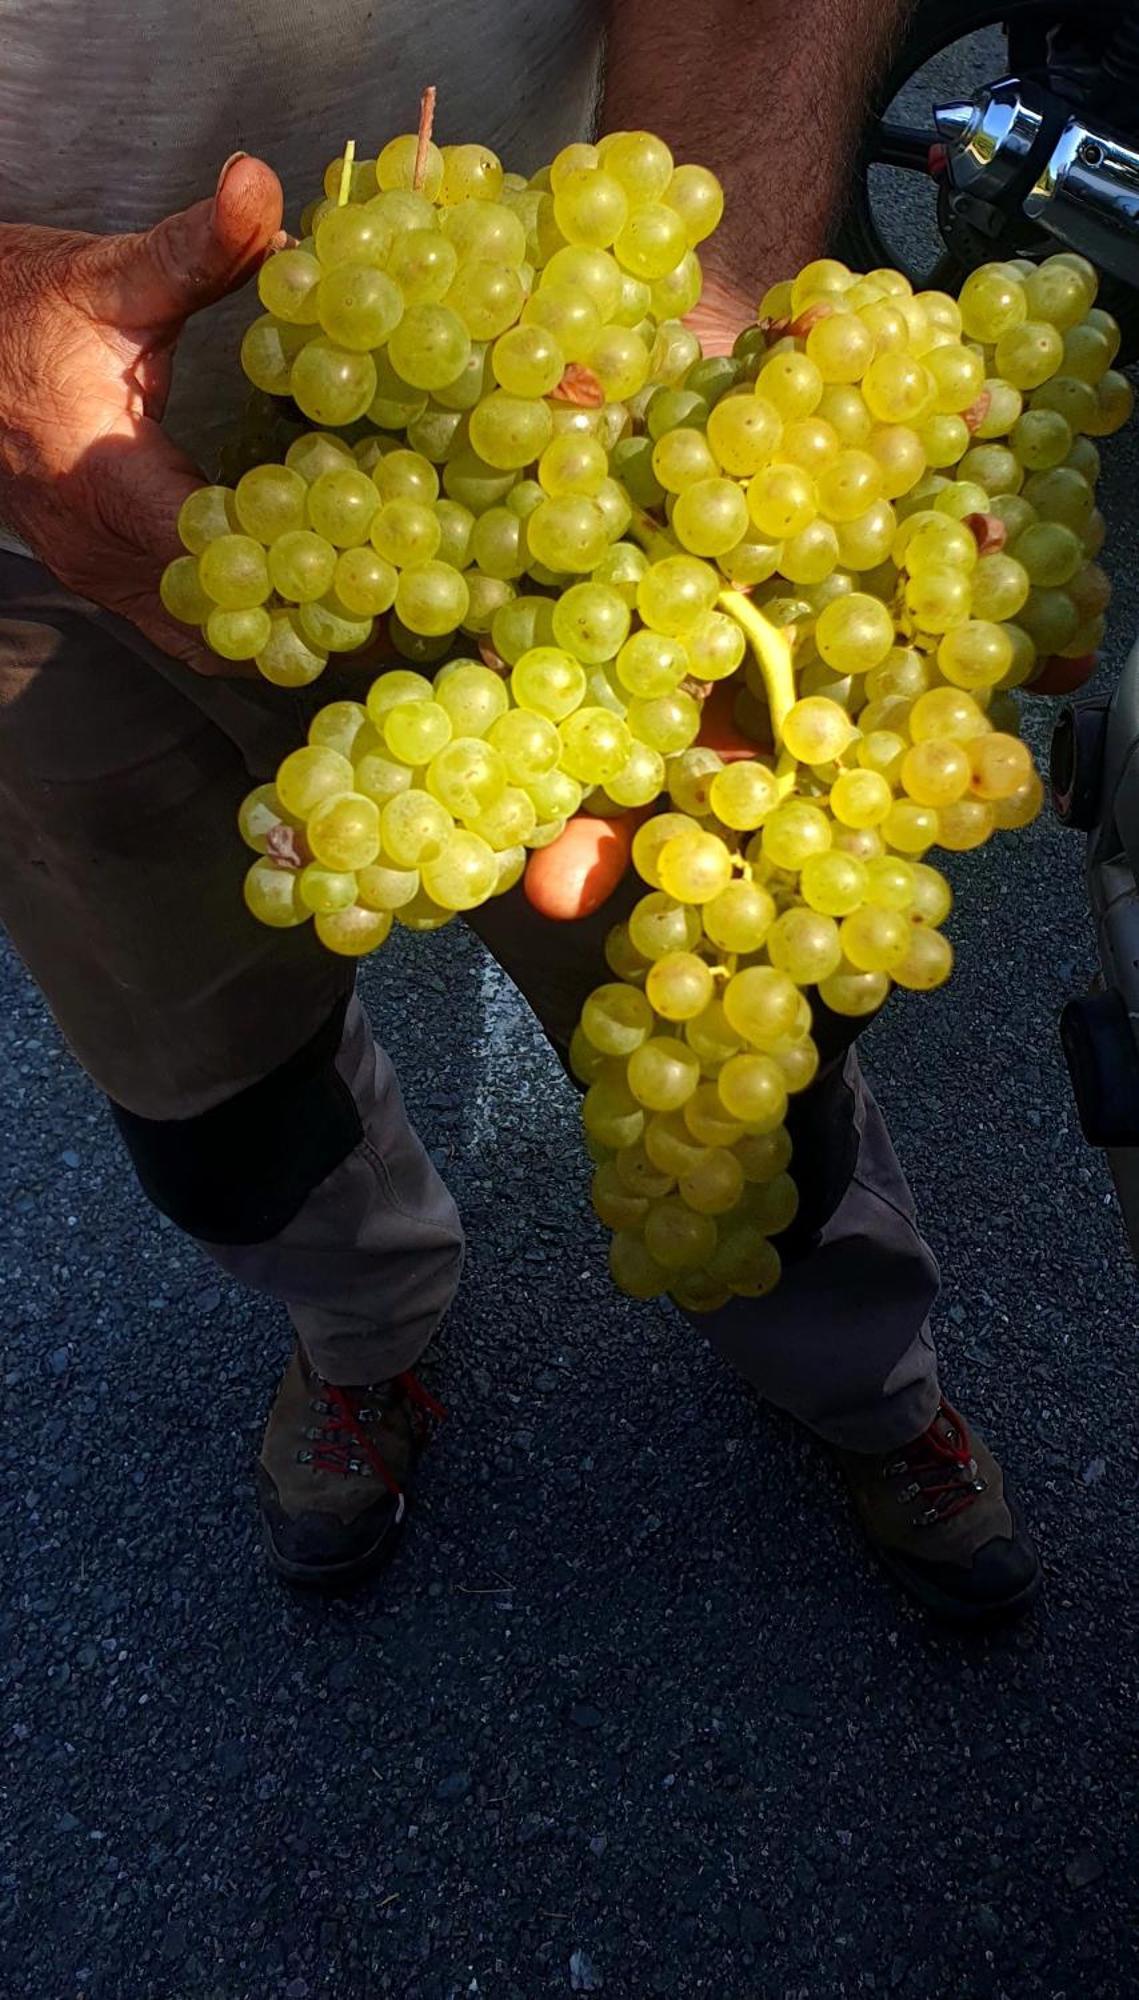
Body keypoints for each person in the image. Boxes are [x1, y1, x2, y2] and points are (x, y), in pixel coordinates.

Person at [0, 0, 1041, 1623]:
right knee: (194, 1060)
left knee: (745, 1027)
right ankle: (361, 1331)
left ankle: (861, 1377)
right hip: (25, 529)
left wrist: (722, 369)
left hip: (548, 454)